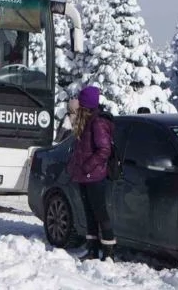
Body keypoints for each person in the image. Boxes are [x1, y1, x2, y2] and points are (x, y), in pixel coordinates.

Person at [66, 86, 116, 261]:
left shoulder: (97, 123)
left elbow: (104, 150)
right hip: (85, 176)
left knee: (100, 213)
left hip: (95, 176)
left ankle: (108, 252)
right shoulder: (86, 121)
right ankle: (92, 250)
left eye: (81, 101)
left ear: (86, 104)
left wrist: (87, 167)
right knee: (89, 214)